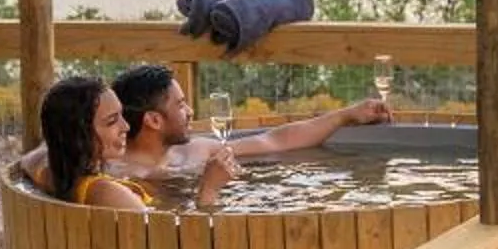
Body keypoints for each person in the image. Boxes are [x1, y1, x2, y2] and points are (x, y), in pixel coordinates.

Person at [106, 65, 393, 175]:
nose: (190, 111)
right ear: (154, 120)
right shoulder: (120, 175)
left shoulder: (194, 152)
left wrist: (346, 115)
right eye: (181, 105)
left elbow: (274, 141)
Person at [30, 73, 175, 210]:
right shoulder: (107, 193)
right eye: (112, 121)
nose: (126, 127)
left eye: (122, 115)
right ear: (80, 135)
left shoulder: (50, 174)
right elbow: (156, 228)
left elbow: (30, 159)